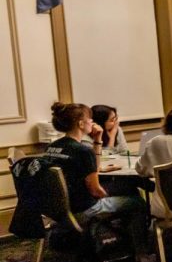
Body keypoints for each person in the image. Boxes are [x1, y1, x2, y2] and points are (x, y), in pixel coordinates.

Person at [43, 102, 148, 251]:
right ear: (81, 123)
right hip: (83, 209)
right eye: (90, 119)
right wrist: (106, 196)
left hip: (59, 209)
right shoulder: (82, 151)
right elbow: (95, 191)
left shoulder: (52, 147)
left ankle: (120, 239)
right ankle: (141, 252)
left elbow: (95, 169)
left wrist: (98, 140)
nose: (92, 122)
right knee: (137, 202)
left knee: (126, 188)